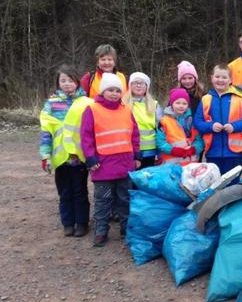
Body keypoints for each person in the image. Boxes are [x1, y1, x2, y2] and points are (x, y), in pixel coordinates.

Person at [80, 73, 141, 247]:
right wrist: (90, 158)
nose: (114, 93)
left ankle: (125, 228)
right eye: (110, 90)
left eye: (117, 90)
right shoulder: (92, 109)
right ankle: (101, 230)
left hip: (124, 163)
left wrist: (137, 155)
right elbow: (86, 137)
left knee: (124, 199)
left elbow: (135, 135)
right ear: (102, 91)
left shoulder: (126, 110)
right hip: (102, 165)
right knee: (103, 200)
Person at [39, 64, 91, 237]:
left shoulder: (86, 103)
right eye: (63, 80)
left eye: (70, 80)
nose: (67, 83)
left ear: (77, 82)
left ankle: (82, 223)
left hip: (79, 156)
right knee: (65, 192)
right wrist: (45, 154)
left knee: (80, 191)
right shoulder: (51, 104)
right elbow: (46, 132)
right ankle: (68, 223)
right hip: (60, 157)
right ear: (58, 82)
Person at [194, 64, 242, 184]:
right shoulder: (206, 99)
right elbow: (198, 122)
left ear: (230, 80)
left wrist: (234, 127)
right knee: (215, 185)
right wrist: (210, 126)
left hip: (234, 153)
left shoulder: (239, 98)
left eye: (224, 77)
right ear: (212, 78)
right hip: (212, 152)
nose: (220, 80)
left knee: (233, 184)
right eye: (217, 76)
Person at [157, 88, 203, 165]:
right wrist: (172, 150)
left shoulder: (193, 120)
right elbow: (160, 142)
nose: (181, 106)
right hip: (172, 165)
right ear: (172, 104)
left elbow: (199, 139)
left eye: (184, 103)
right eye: (178, 103)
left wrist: (194, 149)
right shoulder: (164, 121)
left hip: (191, 164)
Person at [122, 72, 159, 169]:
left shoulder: (154, 104)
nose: (138, 85)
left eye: (142, 83)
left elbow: (160, 128)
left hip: (149, 151)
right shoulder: (122, 104)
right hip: (129, 150)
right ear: (130, 85)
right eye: (135, 83)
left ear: (147, 87)